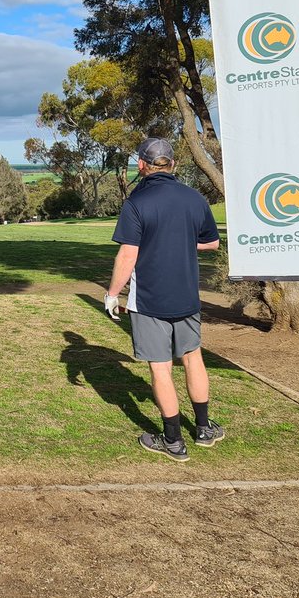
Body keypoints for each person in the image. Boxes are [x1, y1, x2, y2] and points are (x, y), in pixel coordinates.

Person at [104, 137, 223, 462]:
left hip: (150, 300)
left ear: (142, 164)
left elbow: (128, 255)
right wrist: (180, 242)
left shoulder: (137, 203)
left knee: (161, 369)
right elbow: (211, 243)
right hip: (186, 297)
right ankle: (203, 429)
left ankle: (173, 441)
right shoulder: (194, 198)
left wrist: (113, 294)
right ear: (172, 164)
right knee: (192, 357)